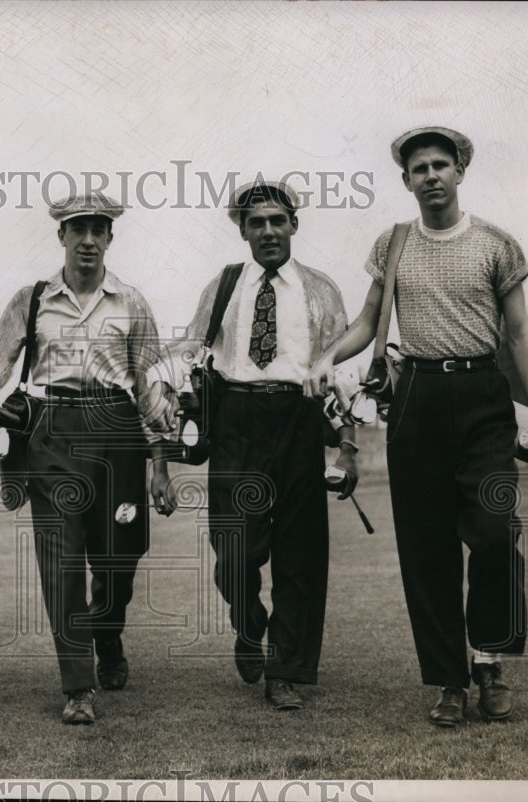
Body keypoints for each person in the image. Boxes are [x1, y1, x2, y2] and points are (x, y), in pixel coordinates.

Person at [305, 127, 528, 727]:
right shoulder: (391, 244)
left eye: (442, 164)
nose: (432, 176)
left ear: (460, 171)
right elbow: (369, 319)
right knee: (427, 549)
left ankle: (489, 661)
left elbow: (520, 333)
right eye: (420, 168)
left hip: (482, 397)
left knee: (495, 534)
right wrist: (327, 359)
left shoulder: (497, 244)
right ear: (406, 180)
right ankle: (448, 679)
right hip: (415, 398)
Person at [0, 191, 169, 725]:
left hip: (117, 433)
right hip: (52, 432)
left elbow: (151, 382)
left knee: (119, 556)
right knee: (61, 562)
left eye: (98, 230)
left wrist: (159, 460)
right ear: (62, 237)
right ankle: (78, 685)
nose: (88, 239)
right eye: (78, 229)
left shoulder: (132, 301)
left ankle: (107, 634)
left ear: (110, 238)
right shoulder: (33, 300)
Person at [149, 179, 358, 712]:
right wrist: (162, 384)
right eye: (256, 222)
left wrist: (348, 444)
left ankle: (284, 668)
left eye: (277, 220)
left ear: (294, 225)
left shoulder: (321, 289)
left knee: (299, 555)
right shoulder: (224, 286)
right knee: (233, 553)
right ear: (241, 230)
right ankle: (250, 626)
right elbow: (191, 343)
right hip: (236, 418)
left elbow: (342, 370)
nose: (268, 231)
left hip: (299, 419)